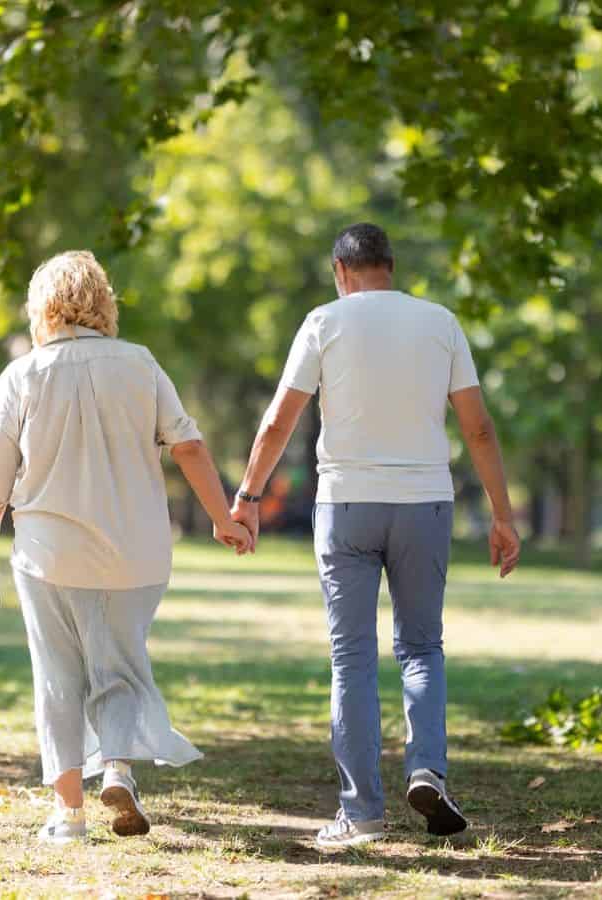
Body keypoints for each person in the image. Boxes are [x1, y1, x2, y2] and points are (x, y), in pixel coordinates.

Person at [230, 223, 521, 848]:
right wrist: (502, 513)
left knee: (352, 657)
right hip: (426, 506)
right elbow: (478, 430)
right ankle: (426, 770)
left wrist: (250, 496)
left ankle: (361, 814)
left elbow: (282, 417)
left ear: (341, 270)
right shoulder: (440, 322)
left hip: (347, 506)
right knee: (421, 646)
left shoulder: (324, 322)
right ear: (390, 267)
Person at [0, 250, 252, 845]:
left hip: (50, 553)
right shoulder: (140, 365)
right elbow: (190, 446)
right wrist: (223, 518)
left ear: (40, 307)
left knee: (57, 677)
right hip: (136, 552)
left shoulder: (22, 375)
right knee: (120, 665)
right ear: (103, 302)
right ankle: (118, 768)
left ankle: (69, 816)